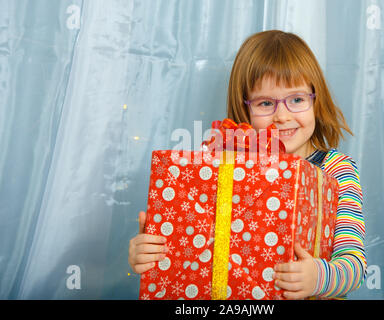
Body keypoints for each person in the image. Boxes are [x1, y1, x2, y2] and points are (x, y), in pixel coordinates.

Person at [128, 30, 366, 299]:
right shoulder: (227, 171)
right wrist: (152, 252)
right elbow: (199, 247)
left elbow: (355, 264)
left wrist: (318, 278)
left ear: (315, 99)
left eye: (297, 99)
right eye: (266, 103)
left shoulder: (337, 170)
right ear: (245, 109)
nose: (282, 116)